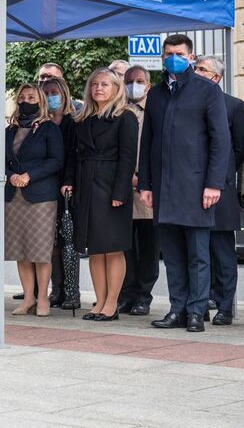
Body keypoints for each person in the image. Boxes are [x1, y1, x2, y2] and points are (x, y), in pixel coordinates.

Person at [140, 35, 230, 333]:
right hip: (164, 188)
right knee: (174, 255)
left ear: (191, 57)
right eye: (168, 54)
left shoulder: (207, 90)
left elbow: (220, 140)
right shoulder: (156, 94)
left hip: (196, 187)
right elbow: (148, 142)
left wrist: (214, 184)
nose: (172, 58)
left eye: (178, 53)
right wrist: (146, 184)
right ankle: (177, 309)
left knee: (198, 255)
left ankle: (196, 311)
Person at [62, 68, 138, 322]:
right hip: (85, 185)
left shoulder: (125, 117)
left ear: (116, 89)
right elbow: (73, 154)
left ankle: (112, 304)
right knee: (94, 248)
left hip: (110, 186)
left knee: (112, 248)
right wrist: (69, 181)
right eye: (94, 84)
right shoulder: (81, 118)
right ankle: (99, 301)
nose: (99, 89)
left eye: (105, 84)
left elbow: (128, 158)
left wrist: (120, 191)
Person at [193, 55, 244, 326]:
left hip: (220, 189)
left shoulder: (234, 107)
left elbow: (238, 149)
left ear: (216, 78)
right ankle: (199, 305)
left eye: (202, 69)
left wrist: (221, 178)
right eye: (196, 68)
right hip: (190, 187)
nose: (197, 72)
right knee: (197, 251)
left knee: (222, 251)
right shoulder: (186, 103)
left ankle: (225, 306)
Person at [5, 84, 64, 317]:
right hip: (14, 195)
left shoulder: (49, 128)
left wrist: (30, 175)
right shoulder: (9, 129)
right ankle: (27, 297)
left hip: (41, 196)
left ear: (40, 101)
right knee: (21, 250)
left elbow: (56, 160)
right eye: (22, 96)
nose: (25, 100)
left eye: (31, 97)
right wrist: (11, 177)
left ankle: (42, 298)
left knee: (40, 250)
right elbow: (0, 160)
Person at [116, 66, 158, 317]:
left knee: (149, 249)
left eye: (140, 81)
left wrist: (143, 179)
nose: (134, 85)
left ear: (148, 85)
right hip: (121, 189)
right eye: (130, 81)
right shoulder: (118, 111)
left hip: (148, 191)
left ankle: (144, 295)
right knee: (125, 248)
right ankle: (127, 293)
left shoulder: (155, 111)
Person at [39, 77, 79, 309]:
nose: (50, 97)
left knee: (68, 240)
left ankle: (72, 292)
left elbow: (74, 155)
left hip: (67, 187)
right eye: (46, 93)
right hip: (45, 187)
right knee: (51, 242)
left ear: (63, 94)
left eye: (54, 92)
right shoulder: (42, 124)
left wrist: (69, 181)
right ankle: (57, 289)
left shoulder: (73, 122)